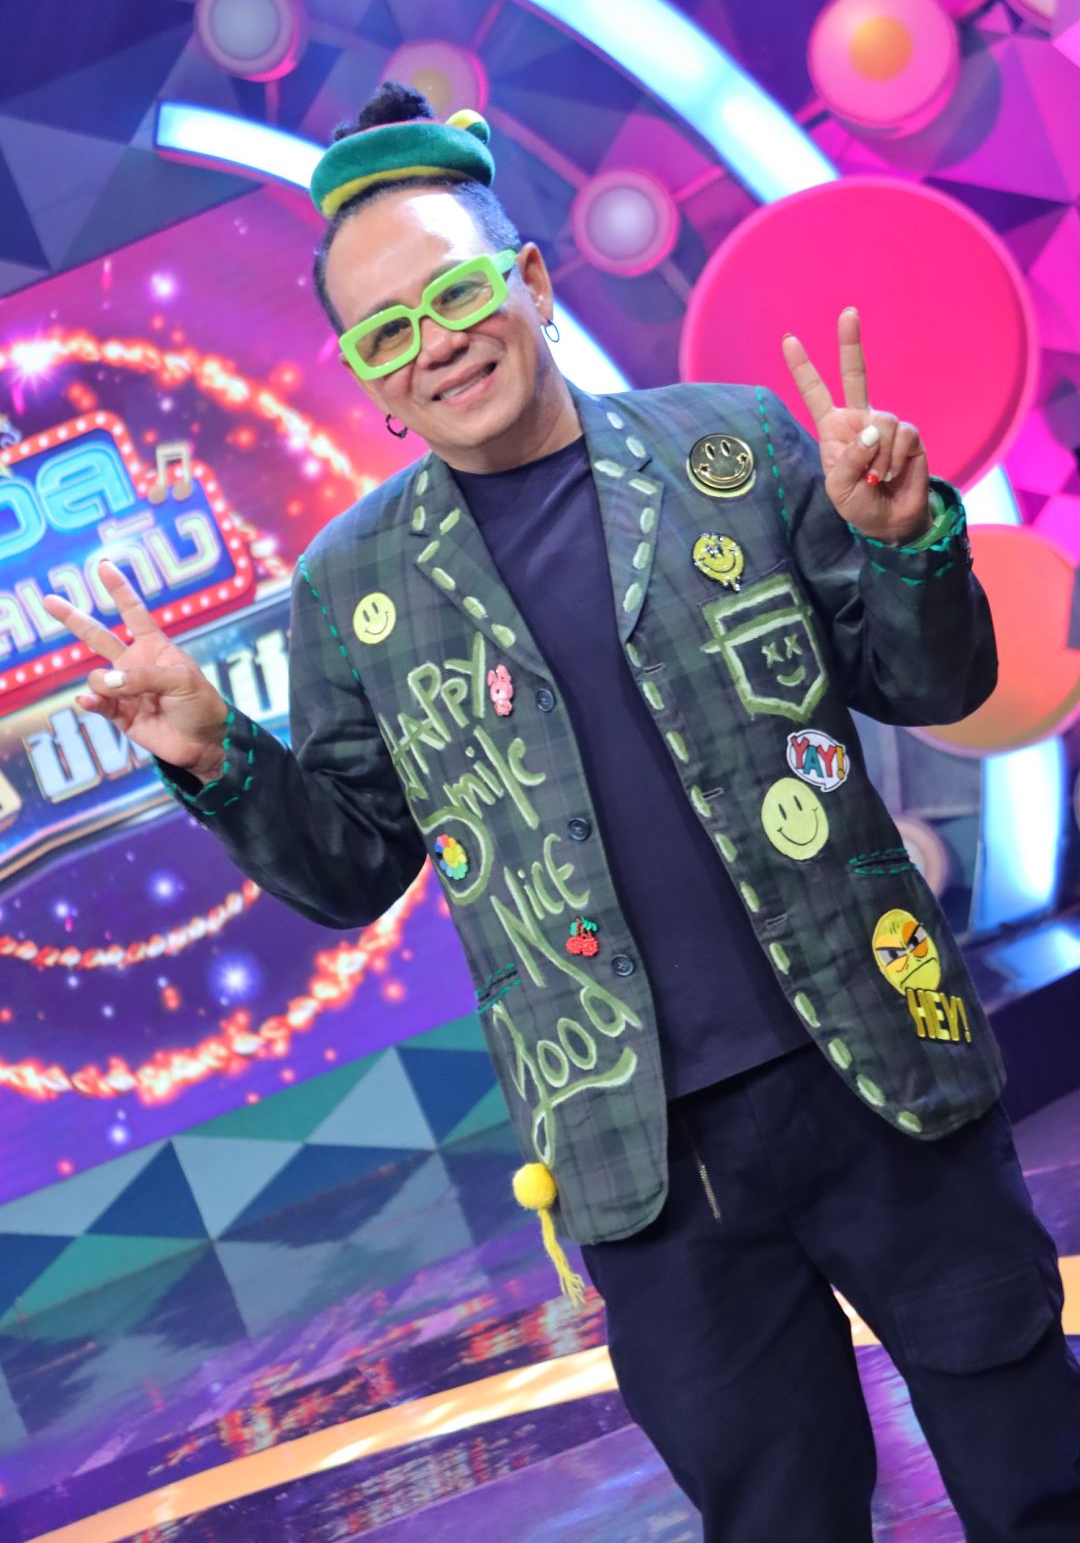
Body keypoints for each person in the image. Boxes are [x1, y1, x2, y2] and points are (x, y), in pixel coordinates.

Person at [44, 83, 1080, 1541]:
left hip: (879, 1069)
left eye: (456, 293)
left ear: (528, 279)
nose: (436, 344)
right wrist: (217, 756)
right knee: (779, 1516)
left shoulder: (732, 450)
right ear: (368, 377)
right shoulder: (353, 589)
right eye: (387, 333)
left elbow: (928, 681)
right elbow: (351, 868)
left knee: (1036, 1472)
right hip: (640, 1160)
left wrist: (907, 545)